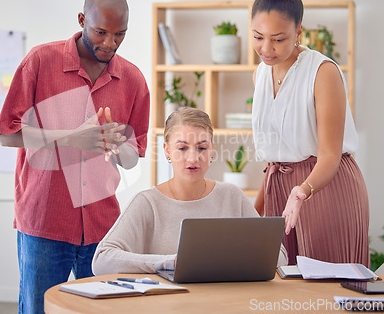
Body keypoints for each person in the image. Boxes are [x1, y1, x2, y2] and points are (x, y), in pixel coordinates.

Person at [0, 0, 150, 313]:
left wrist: (116, 145)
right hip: (44, 221)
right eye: (100, 32)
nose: (110, 43)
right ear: (82, 20)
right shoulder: (40, 61)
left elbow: (132, 158)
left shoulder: (134, 80)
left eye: (119, 34)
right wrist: (70, 138)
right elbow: (7, 134)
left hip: (103, 226)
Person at [250, 0, 369, 266]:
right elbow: (274, 155)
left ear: (299, 31)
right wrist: (255, 209)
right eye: (258, 37)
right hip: (279, 189)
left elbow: (330, 154)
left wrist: (302, 191)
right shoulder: (260, 74)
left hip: (323, 186)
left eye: (278, 39)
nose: (266, 48)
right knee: (279, 290)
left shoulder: (323, 72)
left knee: (329, 293)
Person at [92, 108, 287, 275]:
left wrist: (228, 259)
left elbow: (279, 256)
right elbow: (102, 260)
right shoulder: (147, 203)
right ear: (167, 150)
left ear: (212, 150)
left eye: (202, 148)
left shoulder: (231, 196)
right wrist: (169, 263)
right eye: (182, 148)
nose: (193, 158)